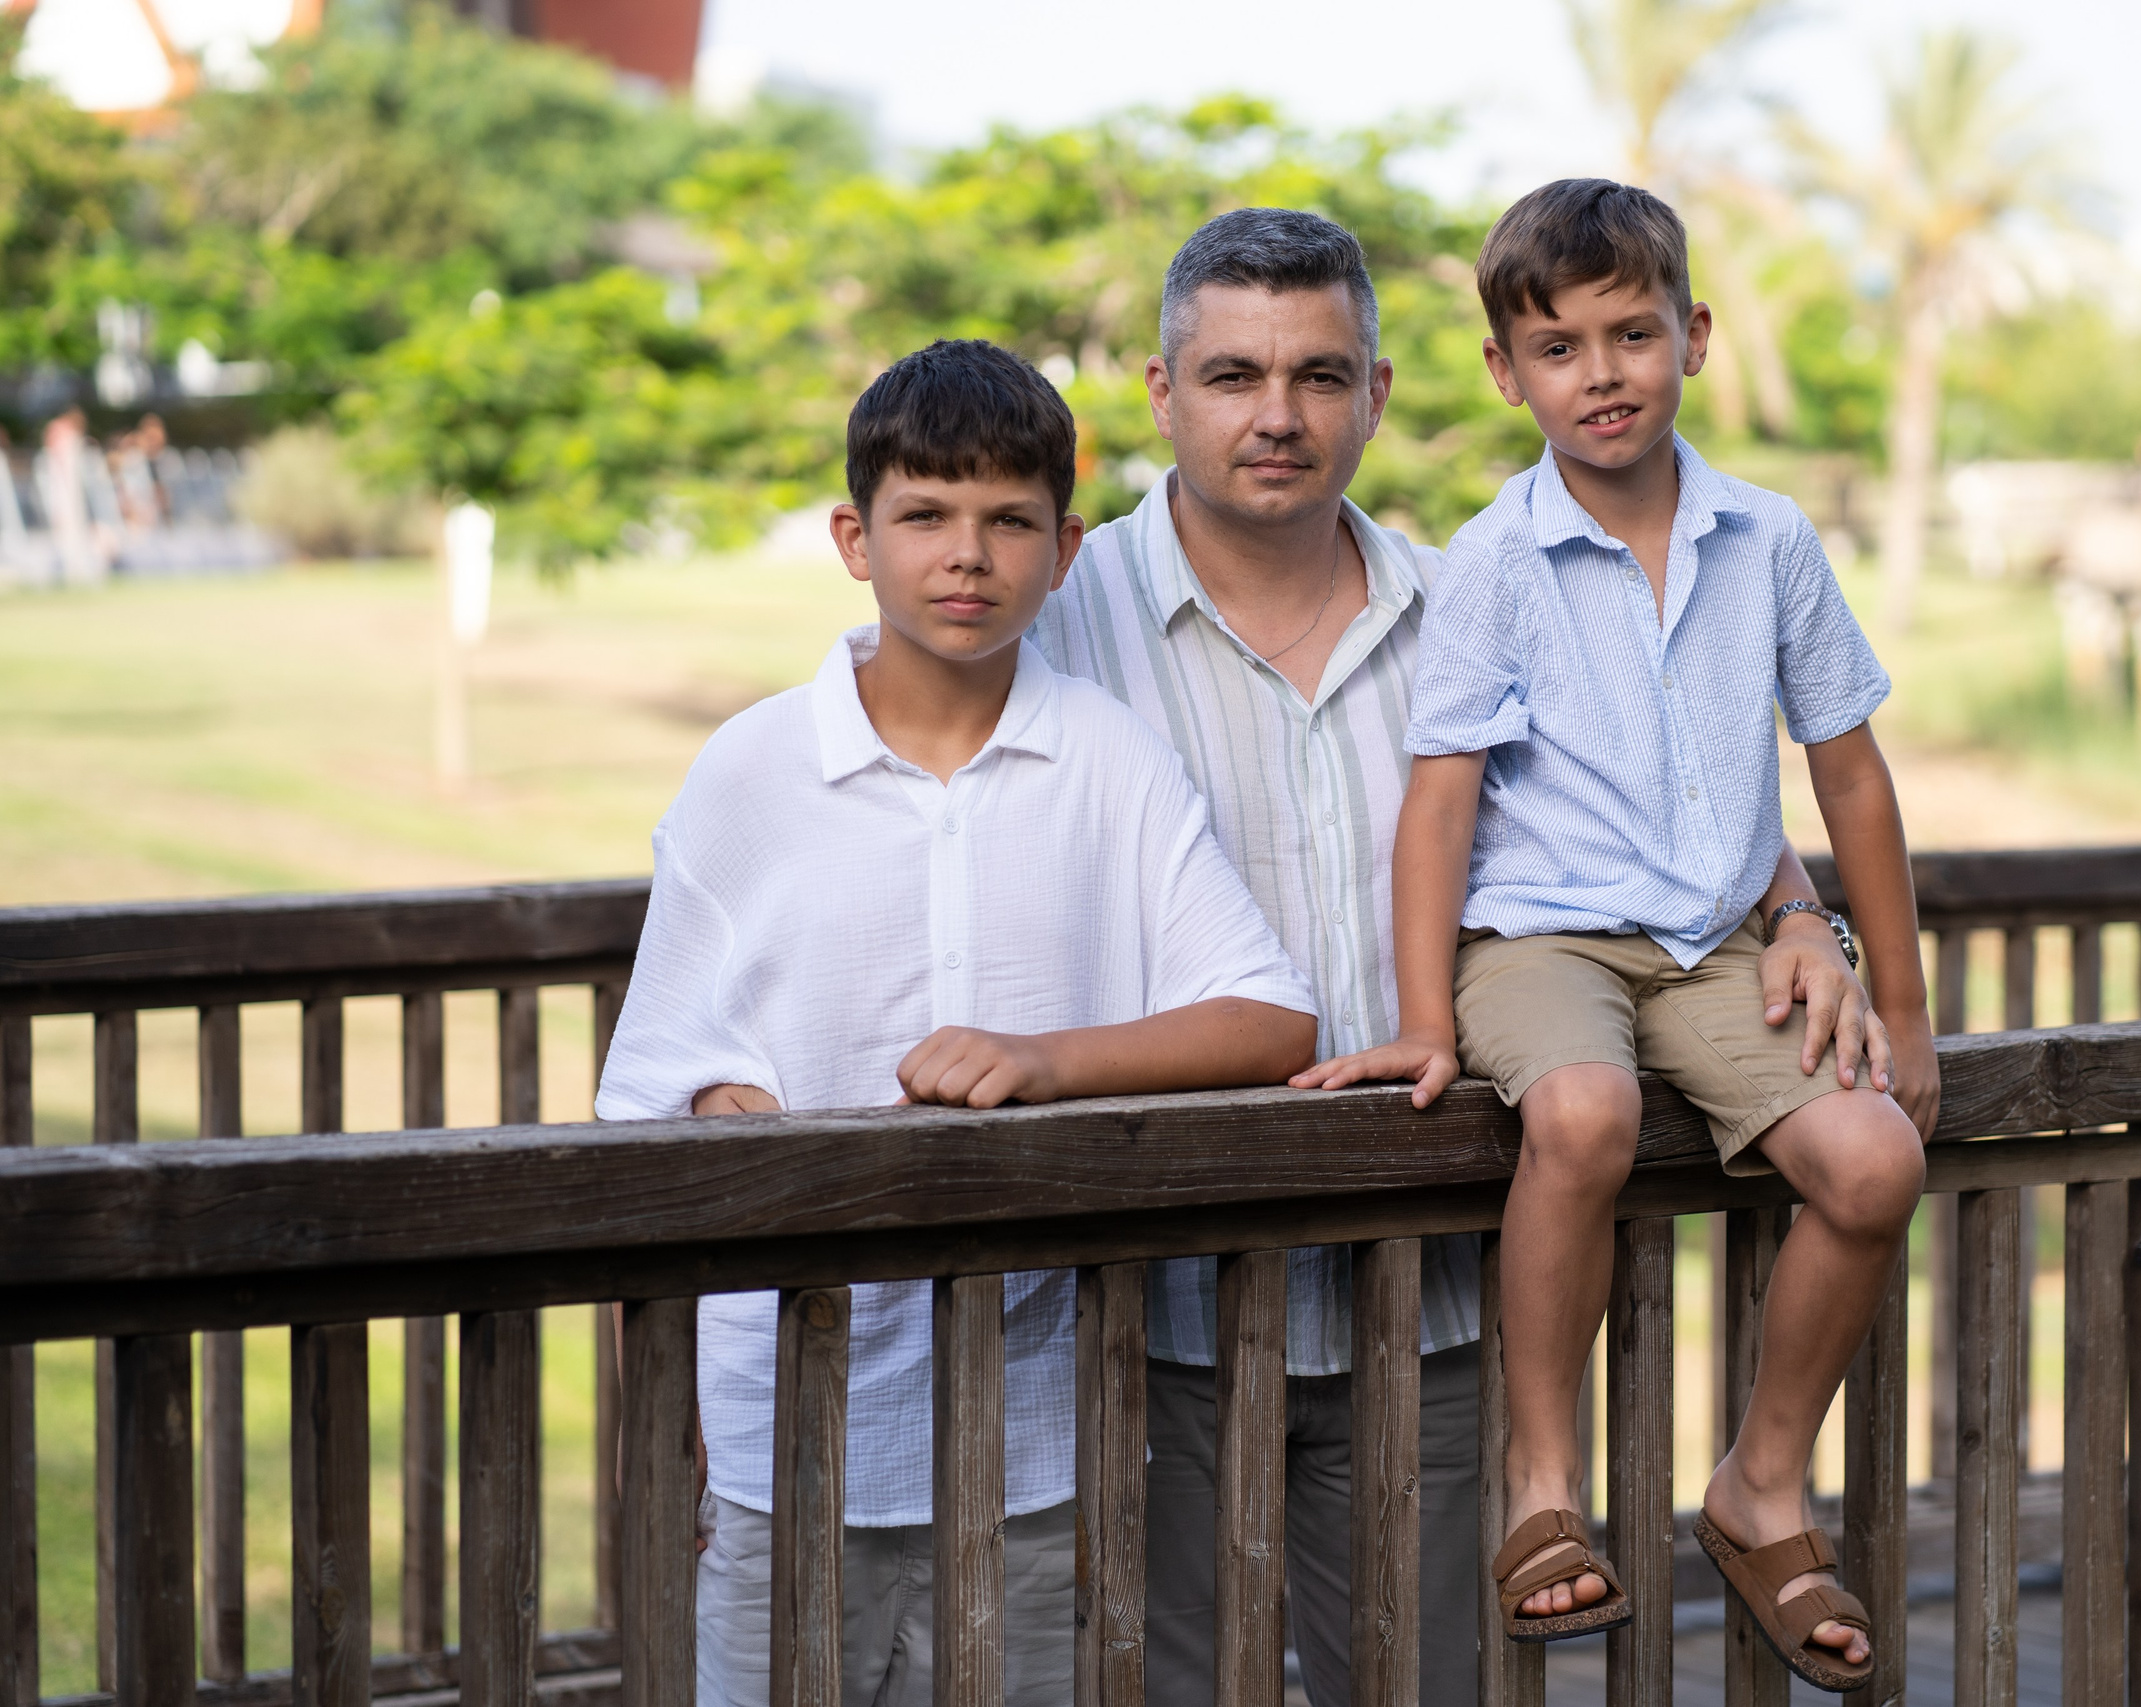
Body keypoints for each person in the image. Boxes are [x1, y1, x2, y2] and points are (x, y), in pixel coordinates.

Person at [1032, 208, 1880, 1706]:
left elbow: (1674, 796)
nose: (1278, 415)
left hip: (1426, 1294)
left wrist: (1804, 915)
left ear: (1378, 391)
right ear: (1162, 396)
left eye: (1320, 373)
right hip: (1147, 1299)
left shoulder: (1486, 592)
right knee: (1159, 1681)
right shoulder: (1055, 622)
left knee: (1429, 1684)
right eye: (1233, 375)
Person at [595, 338, 1320, 1707]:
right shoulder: (751, 769)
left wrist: (1048, 1062)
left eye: (1008, 521)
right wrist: (716, 1114)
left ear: (1065, 546)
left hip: (1029, 1430)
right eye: (925, 515)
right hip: (776, 1428)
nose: (967, 555)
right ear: (853, 539)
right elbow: (655, 1084)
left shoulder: (1105, 754)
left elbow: (1271, 1015)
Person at [1296, 179, 1935, 1693]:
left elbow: (1847, 771)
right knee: (1579, 1113)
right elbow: (1439, 808)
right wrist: (1426, 1017)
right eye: (1558, 346)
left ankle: (1759, 1485)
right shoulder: (1494, 564)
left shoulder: (1769, 542)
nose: (1601, 373)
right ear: (1508, 373)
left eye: (1632, 333)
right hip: (1544, 946)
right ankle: (1540, 1477)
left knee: (1876, 1161)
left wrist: (1897, 1011)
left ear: (1694, 339)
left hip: (1720, 946)